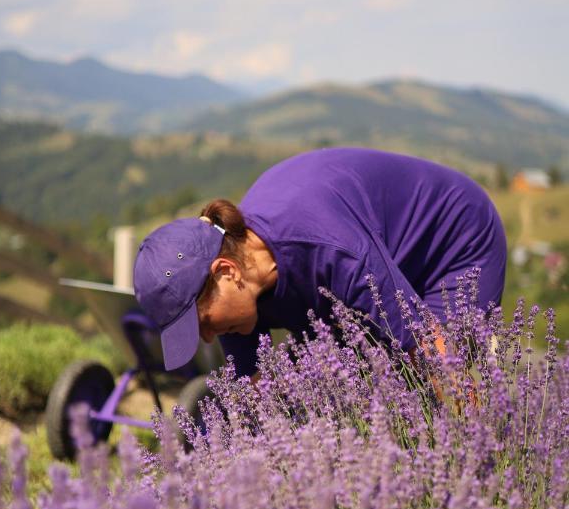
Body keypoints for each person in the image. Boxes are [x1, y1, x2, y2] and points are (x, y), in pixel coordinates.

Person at [133, 147, 507, 378]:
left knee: (427, 385)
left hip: (452, 241)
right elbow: (253, 390)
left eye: (203, 322)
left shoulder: (331, 251)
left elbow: (437, 359)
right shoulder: (239, 299)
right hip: (370, 255)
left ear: (226, 272)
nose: (210, 337)